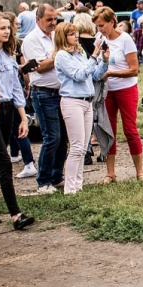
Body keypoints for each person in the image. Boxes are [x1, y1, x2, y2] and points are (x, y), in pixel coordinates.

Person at [0, 13, 34, 232]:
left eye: (8, 28)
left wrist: (22, 117)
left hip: (9, 108)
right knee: (3, 161)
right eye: (2, 28)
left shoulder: (10, 54)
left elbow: (15, 88)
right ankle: (15, 214)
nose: (7, 31)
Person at [53, 22, 109, 194]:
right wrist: (94, 56)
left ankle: (78, 184)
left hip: (87, 100)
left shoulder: (79, 53)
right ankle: (70, 188)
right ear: (63, 37)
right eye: (71, 34)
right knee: (77, 146)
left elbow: (95, 75)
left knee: (84, 147)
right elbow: (78, 75)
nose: (75, 36)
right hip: (72, 101)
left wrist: (104, 61)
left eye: (76, 33)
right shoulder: (62, 56)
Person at [95, 6, 143, 182]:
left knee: (130, 129)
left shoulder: (125, 40)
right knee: (109, 130)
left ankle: (139, 171)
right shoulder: (100, 39)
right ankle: (110, 172)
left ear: (111, 22)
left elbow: (134, 69)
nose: (100, 29)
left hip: (126, 88)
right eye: (97, 26)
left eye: (102, 25)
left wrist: (111, 73)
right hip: (107, 90)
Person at [21, 3, 65, 193]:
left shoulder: (56, 36)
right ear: (38, 19)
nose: (53, 23)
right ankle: (43, 180)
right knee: (51, 137)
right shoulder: (31, 39)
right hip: (43, 92)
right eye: (49, 20)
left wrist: (57, 57)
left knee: (63, 137)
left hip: (61, 91)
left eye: (55, 19)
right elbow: (38, 66)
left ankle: (57, 175)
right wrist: (61, 56)